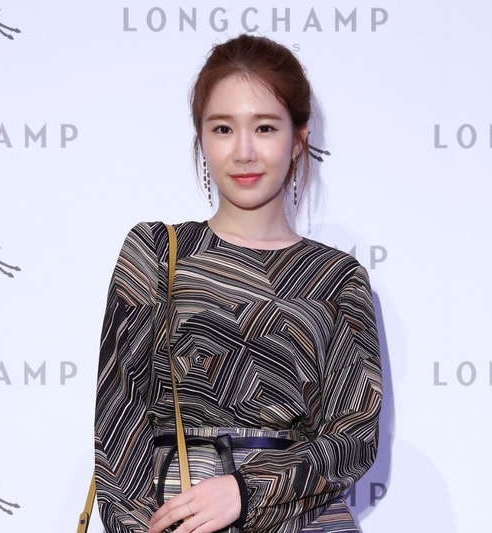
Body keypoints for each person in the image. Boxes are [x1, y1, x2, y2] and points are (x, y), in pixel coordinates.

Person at [95, 34, 382, 533]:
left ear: (298, 138)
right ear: (202, 139)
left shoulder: (337, 277)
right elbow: (119, 421)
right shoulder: (157, 252)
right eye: (223, 128)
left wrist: (247, 490)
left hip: (307, 520)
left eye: (265, 127)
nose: (244, 152)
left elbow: (354, 437)